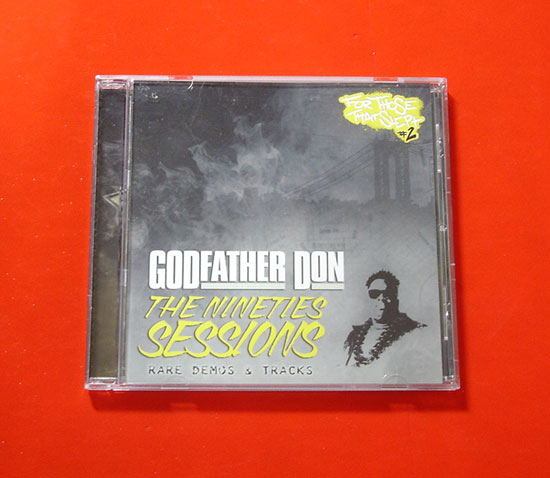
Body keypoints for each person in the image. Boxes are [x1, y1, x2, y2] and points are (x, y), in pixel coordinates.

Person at [345, 270, 426, 366]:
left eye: (387, 295)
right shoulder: (354, 336)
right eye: (374, 294)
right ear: (367, 299)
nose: (381, 299)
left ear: (395, 300)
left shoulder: (415, 333)